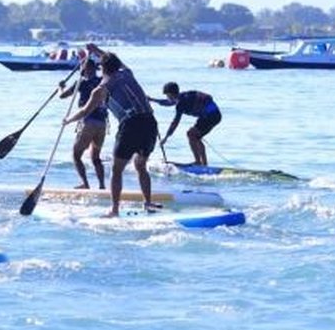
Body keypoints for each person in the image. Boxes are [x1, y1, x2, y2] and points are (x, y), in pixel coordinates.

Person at [63, 44, 160, 217]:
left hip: (131, 125)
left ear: (103, 68)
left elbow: (85, 111)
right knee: (140, 165)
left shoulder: (101, 89)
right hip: (151, 123)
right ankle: (148, 202)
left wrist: (68, 120)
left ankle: (114, 210)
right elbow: (116, 61)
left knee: (117, 170)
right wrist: (98, 50)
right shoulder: (127, 73)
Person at [57, 54, 107, 189]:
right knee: (96, 157)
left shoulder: (81, 82)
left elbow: (63, 96)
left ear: (84, 70)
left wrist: (61, 86)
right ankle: (102, 185)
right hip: (102, 124)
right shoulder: (103, 81)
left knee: (76, 154)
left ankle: (85, 184)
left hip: (88, 123)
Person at [151, 82, 222, 166]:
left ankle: (199, 162)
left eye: (167, 95)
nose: (167, 97)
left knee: (191, 134)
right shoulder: (182, 97)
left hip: (211, 116)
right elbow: (167, 102)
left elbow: (175, 122)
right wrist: (152, 100)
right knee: (195, 136)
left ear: (171, 94)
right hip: (211, 116)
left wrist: (166, 137)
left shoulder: (181, 103)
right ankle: (203, 164)